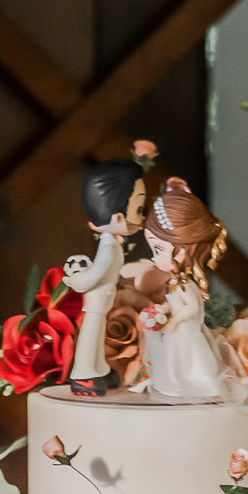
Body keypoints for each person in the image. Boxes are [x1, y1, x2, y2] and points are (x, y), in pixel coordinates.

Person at [140, 177, 248, 403]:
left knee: (190, 362)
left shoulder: (188, 285)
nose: (153, 256)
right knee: (175, 361)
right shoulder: (177, 281)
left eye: (158, 249)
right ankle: (172, 384)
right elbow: (176, 301)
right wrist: (162, 308)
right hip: (179, 332)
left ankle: (197, 385)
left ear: (181, 251)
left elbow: (190, 308)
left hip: (187, 332)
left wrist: (173, 320)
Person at [65, 159, 147, 397]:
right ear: (118, 219)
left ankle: (99, 367)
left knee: (97, 334)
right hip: (97, 301)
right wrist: (75, 281)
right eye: (139, 209)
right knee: (90, 336)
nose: (142, 217)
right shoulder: (109, 248)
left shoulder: (112, 245)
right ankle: (83, 375)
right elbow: (95, 275)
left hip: (104, 300)